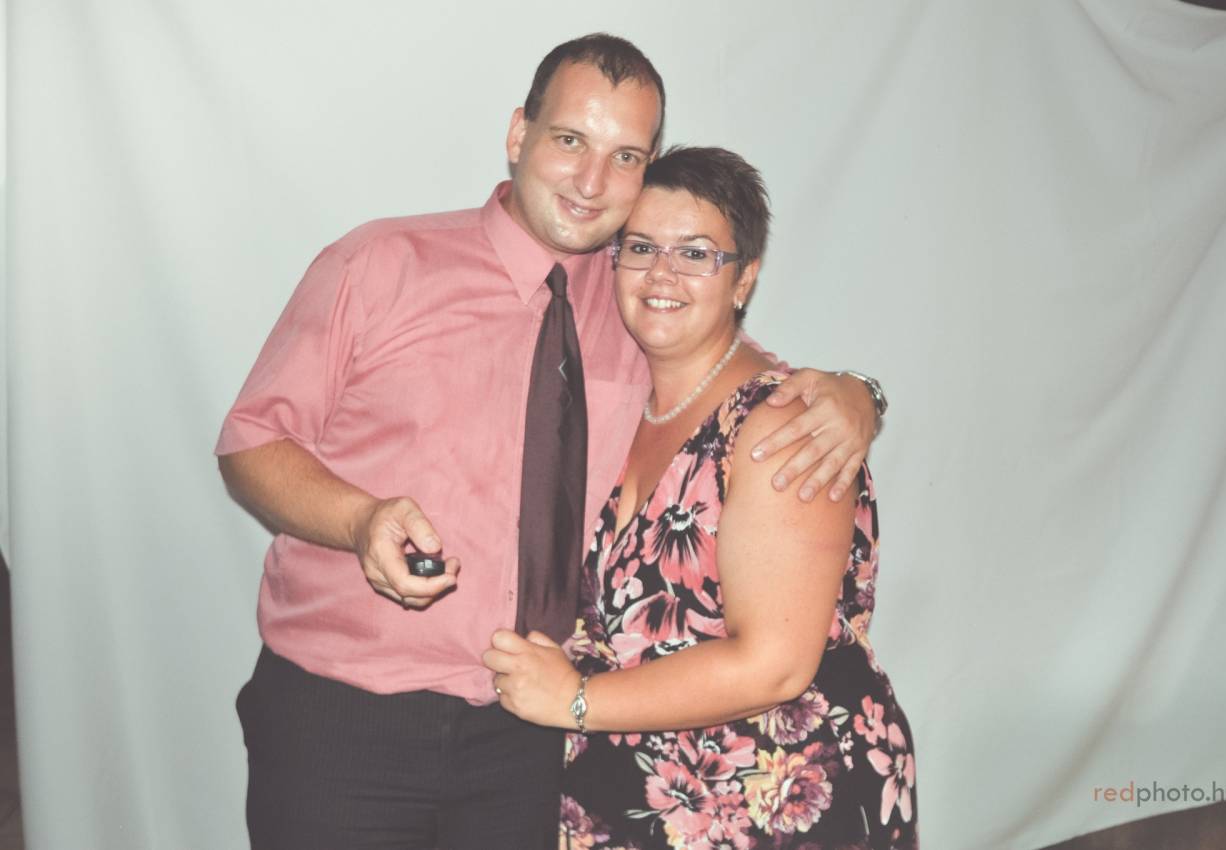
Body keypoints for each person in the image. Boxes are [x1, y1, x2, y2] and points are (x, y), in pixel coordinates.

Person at [217, 35, 886, 850]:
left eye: (625, 156)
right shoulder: (381, 264)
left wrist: (857, 394)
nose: (591, 181)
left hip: (533, 738)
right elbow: (252, 440)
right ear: (518, 134)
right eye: (571, 140)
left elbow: (735, 384)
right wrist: (358, 520)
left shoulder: (638, 293)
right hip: (345, 717)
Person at [484, 146, 917, 850]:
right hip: (630, 796)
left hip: (770, 803)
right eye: (642, 247)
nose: (662, 273)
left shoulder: (777, 425)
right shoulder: (618, 403)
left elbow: (774, 663)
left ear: (744, 278)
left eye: (695, 254)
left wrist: (576, 699)